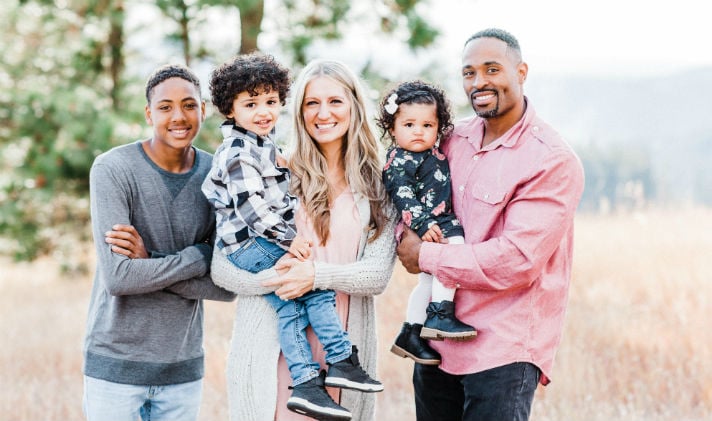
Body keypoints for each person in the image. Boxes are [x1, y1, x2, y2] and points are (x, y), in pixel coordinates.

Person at [396, 28, 585, 421]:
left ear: (521, 72)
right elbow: (406, 188)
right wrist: (405, 235)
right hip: (435, 345)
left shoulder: (551, 160)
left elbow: (517, 259)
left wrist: (424, 254)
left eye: (492, 69)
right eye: (469, 73)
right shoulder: (449, 139)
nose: (479, 82)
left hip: (503, 349)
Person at [209, 58, 398, 421]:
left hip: (342, 351)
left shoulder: (379, 185)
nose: (323, 113)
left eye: (335, 101)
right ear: (298, 111)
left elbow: (376, 276)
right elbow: (222, 266)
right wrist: (282, 281)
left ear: (355, 106)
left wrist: (314, 277)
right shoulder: (273, 172)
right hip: (273, 352)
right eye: (312, 103)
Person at [82, 64, 236, 421]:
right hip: (115, 369)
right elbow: (120, 278)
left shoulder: (220, 175)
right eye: (165, 107)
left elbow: (227, 286)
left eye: (188, 105)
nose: (178, 116)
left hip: (182, 371)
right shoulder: (112, 169)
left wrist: (150, 258)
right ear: (149, 113)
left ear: (203, 109)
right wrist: (201, 255)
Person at [376, 80, 476, 366]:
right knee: (453, 255)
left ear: (438, 128)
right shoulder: (399, 159)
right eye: (408, 125)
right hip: (425, 223)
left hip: (437, 219)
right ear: (392, 128)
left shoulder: (432, 153)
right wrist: (422, 223)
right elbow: (402, 194)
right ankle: (440, 314)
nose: (418, 131)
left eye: (427, 125)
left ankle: (411, 331)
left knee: (428, 279)